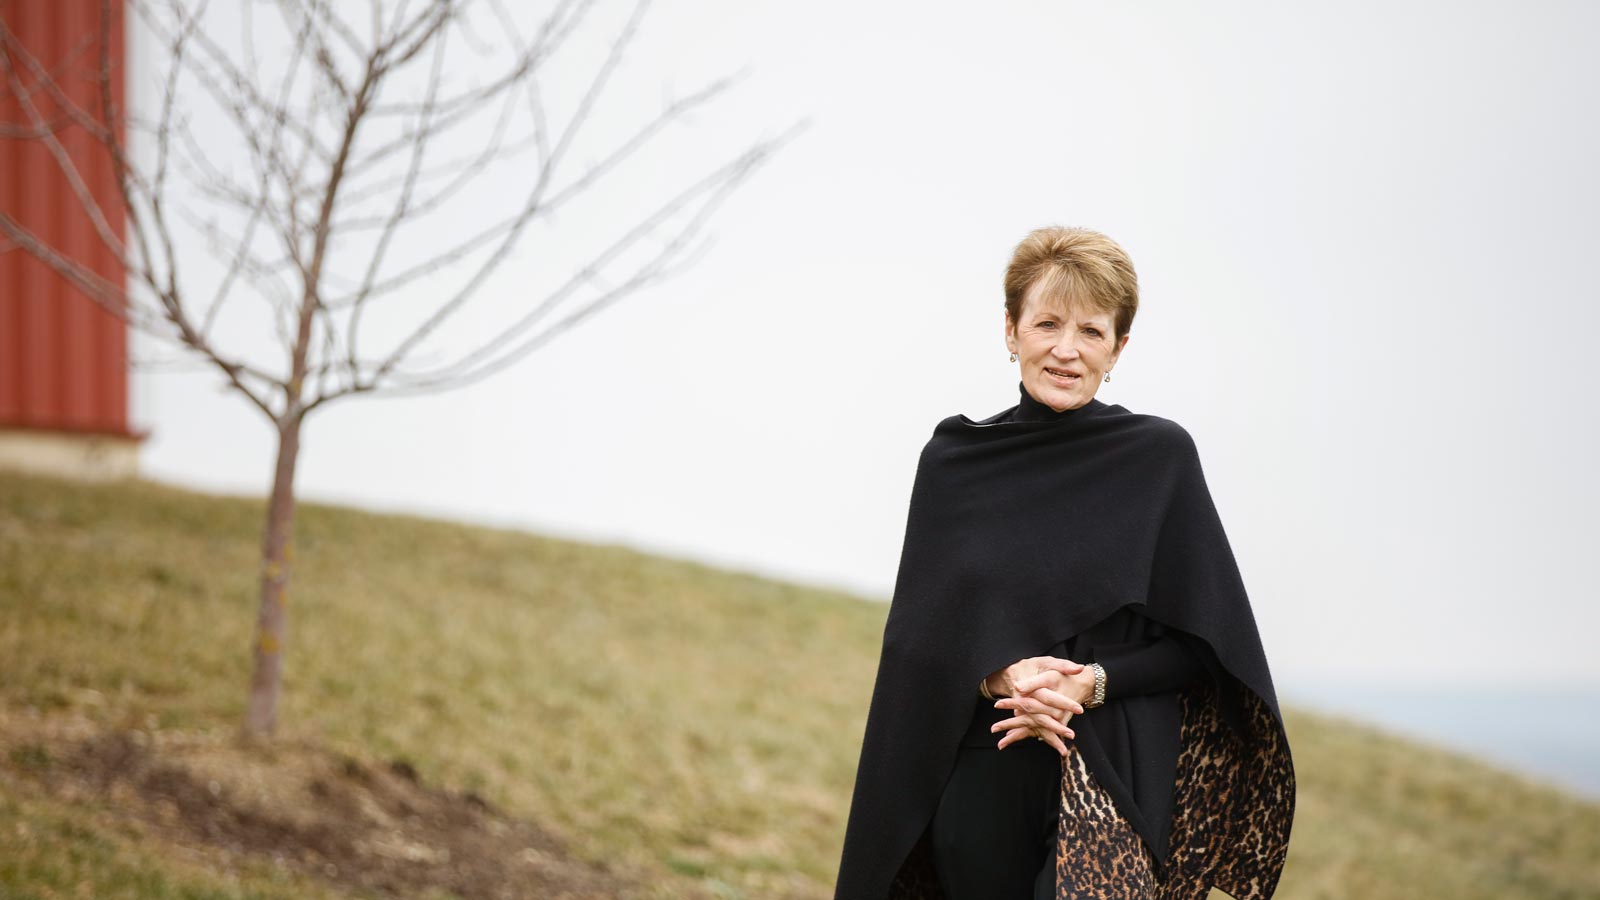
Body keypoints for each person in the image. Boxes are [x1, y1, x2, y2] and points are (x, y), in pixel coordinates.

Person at [832, 227, 1295, 900]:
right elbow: (918, 640)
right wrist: (1003, 675)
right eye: (1047, 323)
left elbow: (1207, 646)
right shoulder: (956, 463)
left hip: (1113, 772)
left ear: (1119, 348)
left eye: (1092, 332)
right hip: (982, 768)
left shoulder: (1157, 460)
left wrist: (1088, 683)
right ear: (1011, 330)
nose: (1066, 350)